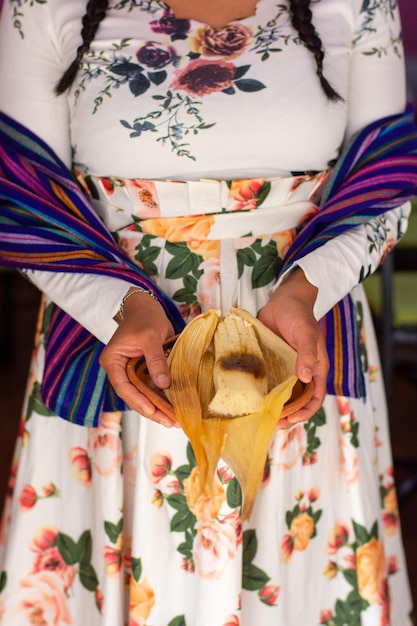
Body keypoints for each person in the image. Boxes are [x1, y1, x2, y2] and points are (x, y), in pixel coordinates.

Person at [0, 0, 415, 624]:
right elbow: (20, 189)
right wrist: (123, 306)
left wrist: (305, 290)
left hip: (299, 347)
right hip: (126, 349)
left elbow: (386, 181)